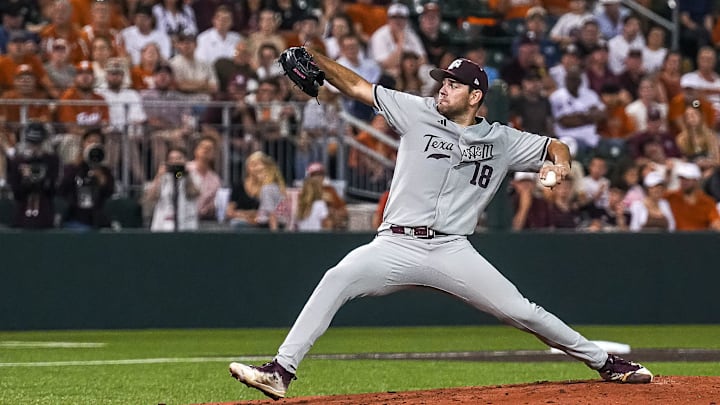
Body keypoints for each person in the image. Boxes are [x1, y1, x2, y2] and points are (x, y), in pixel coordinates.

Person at [228, 50, 653, 400]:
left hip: (452, 249)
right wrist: (318, 60)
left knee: (522, 311)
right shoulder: (416, 112)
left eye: (451, 84)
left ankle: (606, 363)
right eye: (442, 81)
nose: (441, 88)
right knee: (336, 278)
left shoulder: (501, 140)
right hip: (393, 245)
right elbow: (358, 86)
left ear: (475, 96)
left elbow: (556, 146)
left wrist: (559, 166)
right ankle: (281, 371)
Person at [58, 127, 115, 230]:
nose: (93, 145)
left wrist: (102, 180)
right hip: (75, 218)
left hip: (97, 220)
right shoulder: (73, 167)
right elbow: (62, 188)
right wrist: (77, 164)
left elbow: (110, 193)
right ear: (83, 144)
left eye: (97, 142)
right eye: (89, 141)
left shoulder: (105, 171)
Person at [6, 123, 60, 229]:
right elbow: (16, 192)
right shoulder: (18, 161)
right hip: (23, 211)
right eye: (31, 143)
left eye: (37, 144)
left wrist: (41, 177)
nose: (34, 147)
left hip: (45, 210)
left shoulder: (52, 160)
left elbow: (53, 190)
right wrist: (25, 179)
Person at [144, 146, 201, 231]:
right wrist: (158, 176)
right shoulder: (164, 177)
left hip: (187, 222)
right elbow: (150, 197)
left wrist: (186, 174)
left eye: (179, 158)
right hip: (163, 223)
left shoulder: (193, 176)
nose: (175, 162)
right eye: (171, 159)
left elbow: (194, 193)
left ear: (185, 160)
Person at [665, 162, 720, 231]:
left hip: (699, 239)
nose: (683, 182)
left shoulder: (707, 201)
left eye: (687, 179)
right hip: (676, 239)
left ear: (696, 181)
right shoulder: (672, 196)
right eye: (681, 178)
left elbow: (716, 221)